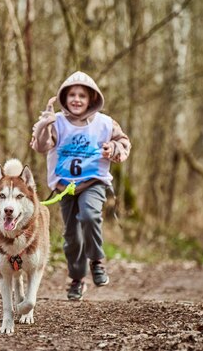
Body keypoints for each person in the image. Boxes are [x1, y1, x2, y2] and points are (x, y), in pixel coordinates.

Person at [30, 71, 131, 301]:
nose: (76, 99)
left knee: (89, 215)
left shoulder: (105, 123)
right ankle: (77, 279)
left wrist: (113, 150)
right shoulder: (57, 121)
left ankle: (96, 261)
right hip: (65, 186)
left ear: (91, 99)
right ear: (64, 98)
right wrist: (44, 124)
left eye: (82, 96)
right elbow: (41, 146)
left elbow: (123, 142)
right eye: (72, 95)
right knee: (72, 237)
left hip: (92, 181)